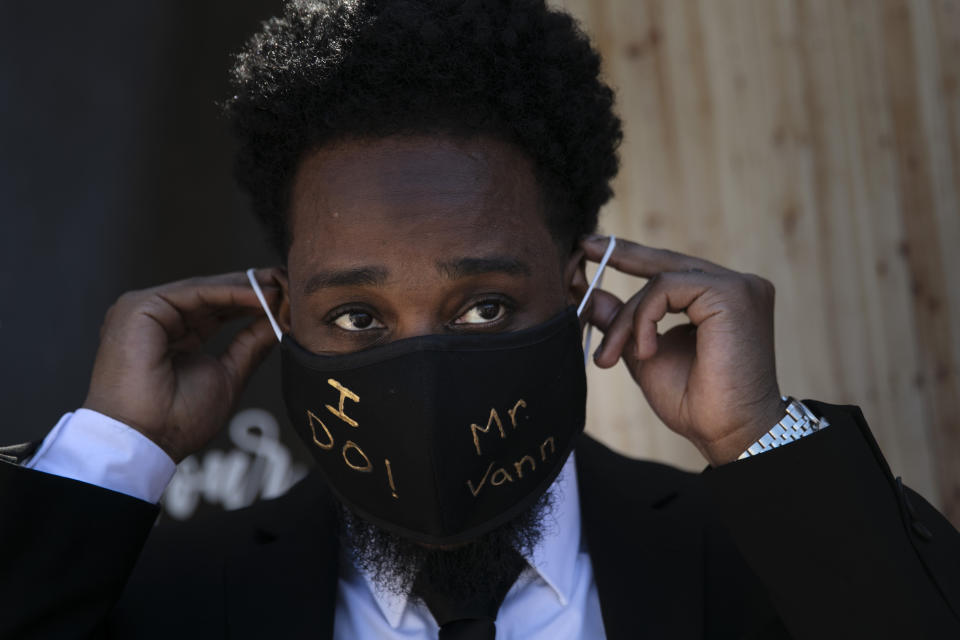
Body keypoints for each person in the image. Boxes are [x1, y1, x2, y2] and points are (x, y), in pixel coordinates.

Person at [2, 1, 958, 638]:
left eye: (486, 305)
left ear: (584, 284)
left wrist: (761, 435)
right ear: (283, 313)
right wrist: (112, 452)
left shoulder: (761, 563)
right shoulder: (158, 599)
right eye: (358, 316)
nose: (423, 372)